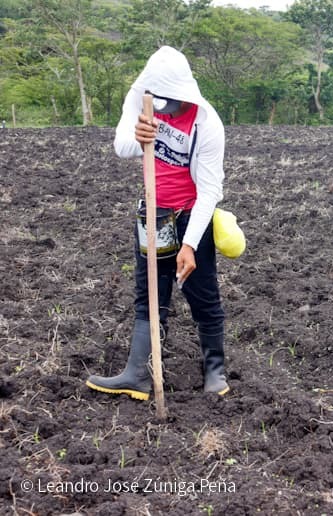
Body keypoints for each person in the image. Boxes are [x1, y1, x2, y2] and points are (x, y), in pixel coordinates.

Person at [86, 46, 229, 400]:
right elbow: (122, 146)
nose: (167, 106)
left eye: (173, 100)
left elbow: (210, 190)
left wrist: (190, 244)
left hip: (190, 215)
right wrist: (139, 136)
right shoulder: (141, 100)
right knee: (149, 294)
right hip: (153, 214)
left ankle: (215, 372)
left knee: (202, 294)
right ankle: (138, 373)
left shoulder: (207, 123)